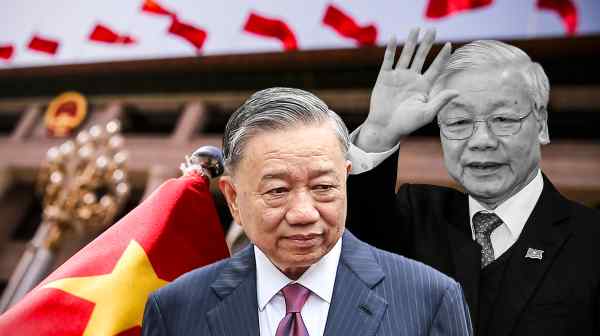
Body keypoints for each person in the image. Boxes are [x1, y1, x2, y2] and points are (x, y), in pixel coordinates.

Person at [142, 87, 472, 335]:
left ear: (345, 181)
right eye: (277, 190)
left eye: (323, 187)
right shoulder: (176, 310)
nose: (303, 213)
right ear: (233, 199)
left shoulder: (429, 300)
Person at [346, 28, 600, 336]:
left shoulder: (590, 238)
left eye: (504, 119)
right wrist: (378, 132)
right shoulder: (417, 218)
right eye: (459, 122)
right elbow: (347, 242)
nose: (481, 141)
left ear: (542, 124)